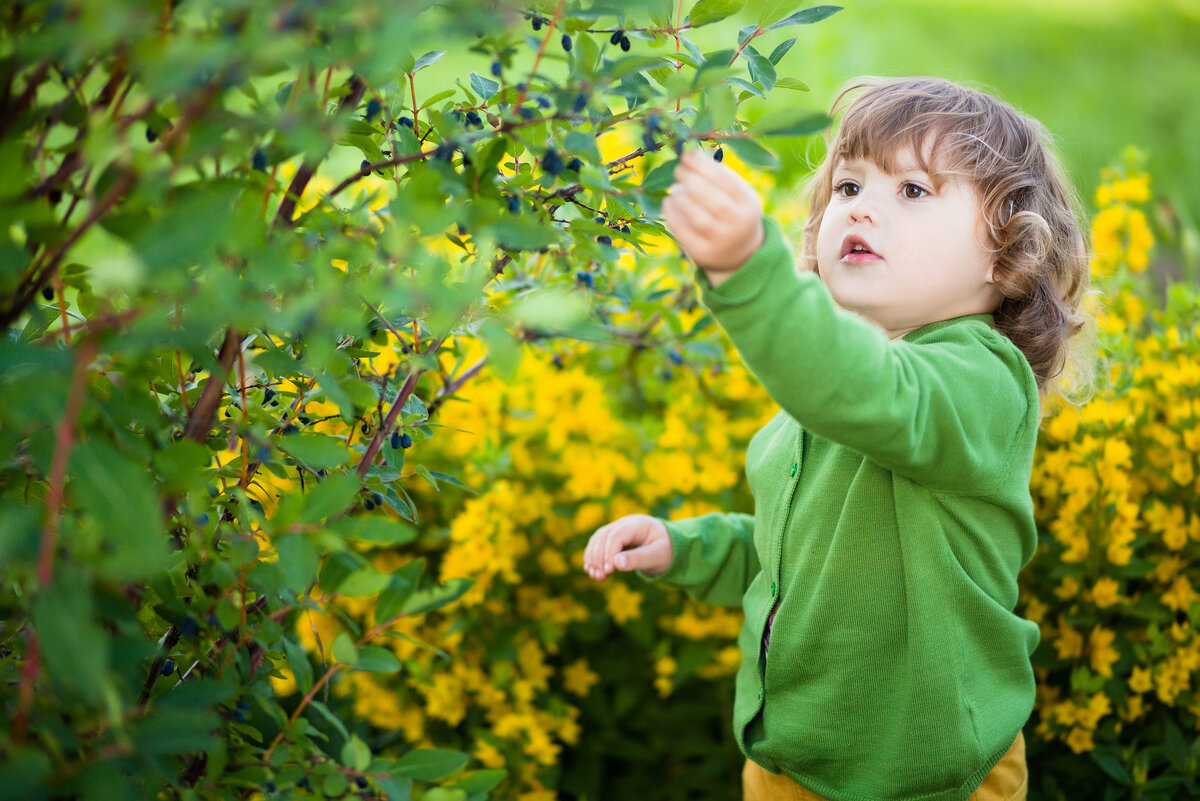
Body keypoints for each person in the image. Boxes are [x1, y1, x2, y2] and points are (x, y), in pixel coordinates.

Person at [582, 76, 1091, 801]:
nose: (863, 207)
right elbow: (799, 556)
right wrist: (687, 546)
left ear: (1004, 252)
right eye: (848, 186)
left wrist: (742, 270)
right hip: (789, 762)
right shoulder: (829, 392)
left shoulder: (979, 382)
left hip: (927, 777)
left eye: (912, 190)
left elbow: (867, 392)